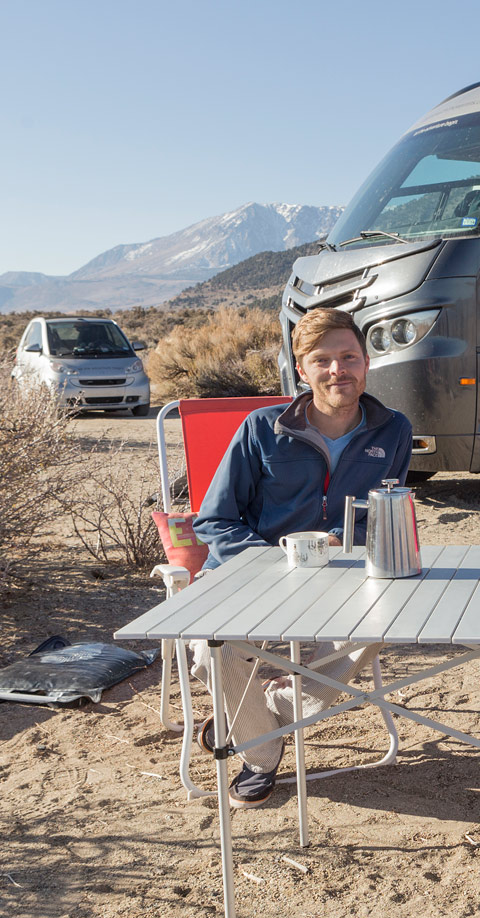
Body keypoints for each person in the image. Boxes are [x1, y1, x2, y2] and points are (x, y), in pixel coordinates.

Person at [190, 307, 413, 807]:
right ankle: (262, 753)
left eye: (349, 357)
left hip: (340, 580)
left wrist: (338, 539)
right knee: (211, 649)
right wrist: (274, 562)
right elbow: (214, 520)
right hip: (249, 577)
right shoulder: (261, 428)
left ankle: (263, 715)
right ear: (301, 370)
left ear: (367, 363)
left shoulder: (393, 430)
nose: (339, 370)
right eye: (323, 360)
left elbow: (380, 514)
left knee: (380, 626)